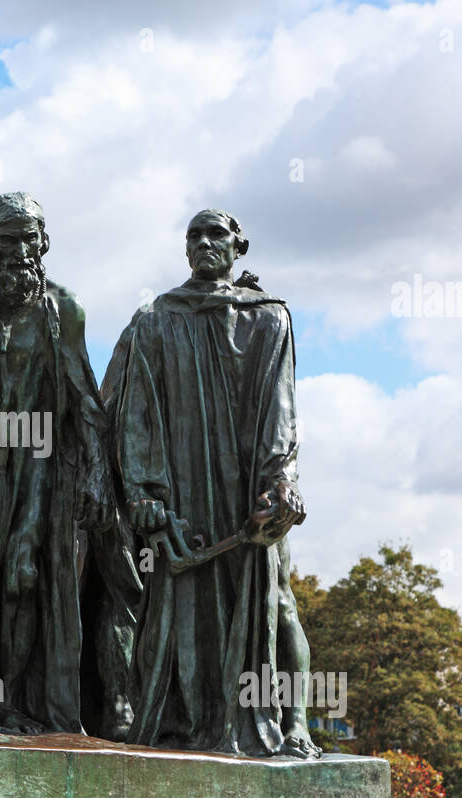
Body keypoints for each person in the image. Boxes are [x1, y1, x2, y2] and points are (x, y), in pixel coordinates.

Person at [0, 192, 140, 736]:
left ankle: (14, 706)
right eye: (7, 238)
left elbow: (85, 400)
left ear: (43, 243)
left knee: (22, 581)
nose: (19, 250)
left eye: (29, 238)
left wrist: (96, 473)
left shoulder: (60, 309)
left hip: (37, 469)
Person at [115, 209, 320, 758]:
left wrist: (280, 480)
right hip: (182, 490)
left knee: (275, 602)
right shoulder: (157, 317)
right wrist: (142, 491)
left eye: (217, 234)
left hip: (250, 489)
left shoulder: (270, 318)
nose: (205, 243)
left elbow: (283, 407)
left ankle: (293, 722)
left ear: (240, 245)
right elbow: (134, 409)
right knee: (174, 606)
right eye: (194, 235)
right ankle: (185, 721)